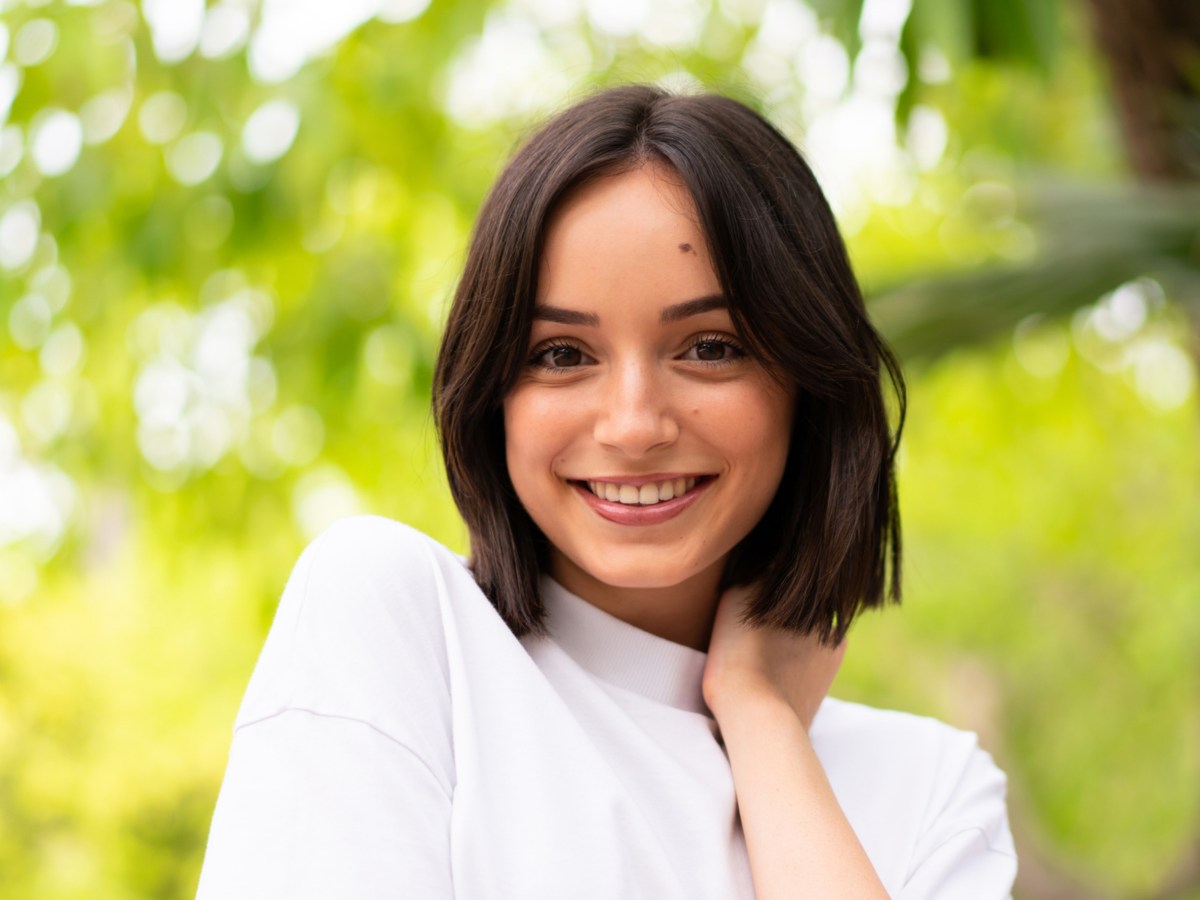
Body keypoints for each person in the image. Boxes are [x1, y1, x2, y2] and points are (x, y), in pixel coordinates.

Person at [196, 85, 1017, 898]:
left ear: (807, 382)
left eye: (709, 346)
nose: (633, 426)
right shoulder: (398, 623)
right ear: (494, 396)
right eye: (560, 354)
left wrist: (761, 718)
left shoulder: (933, 791)